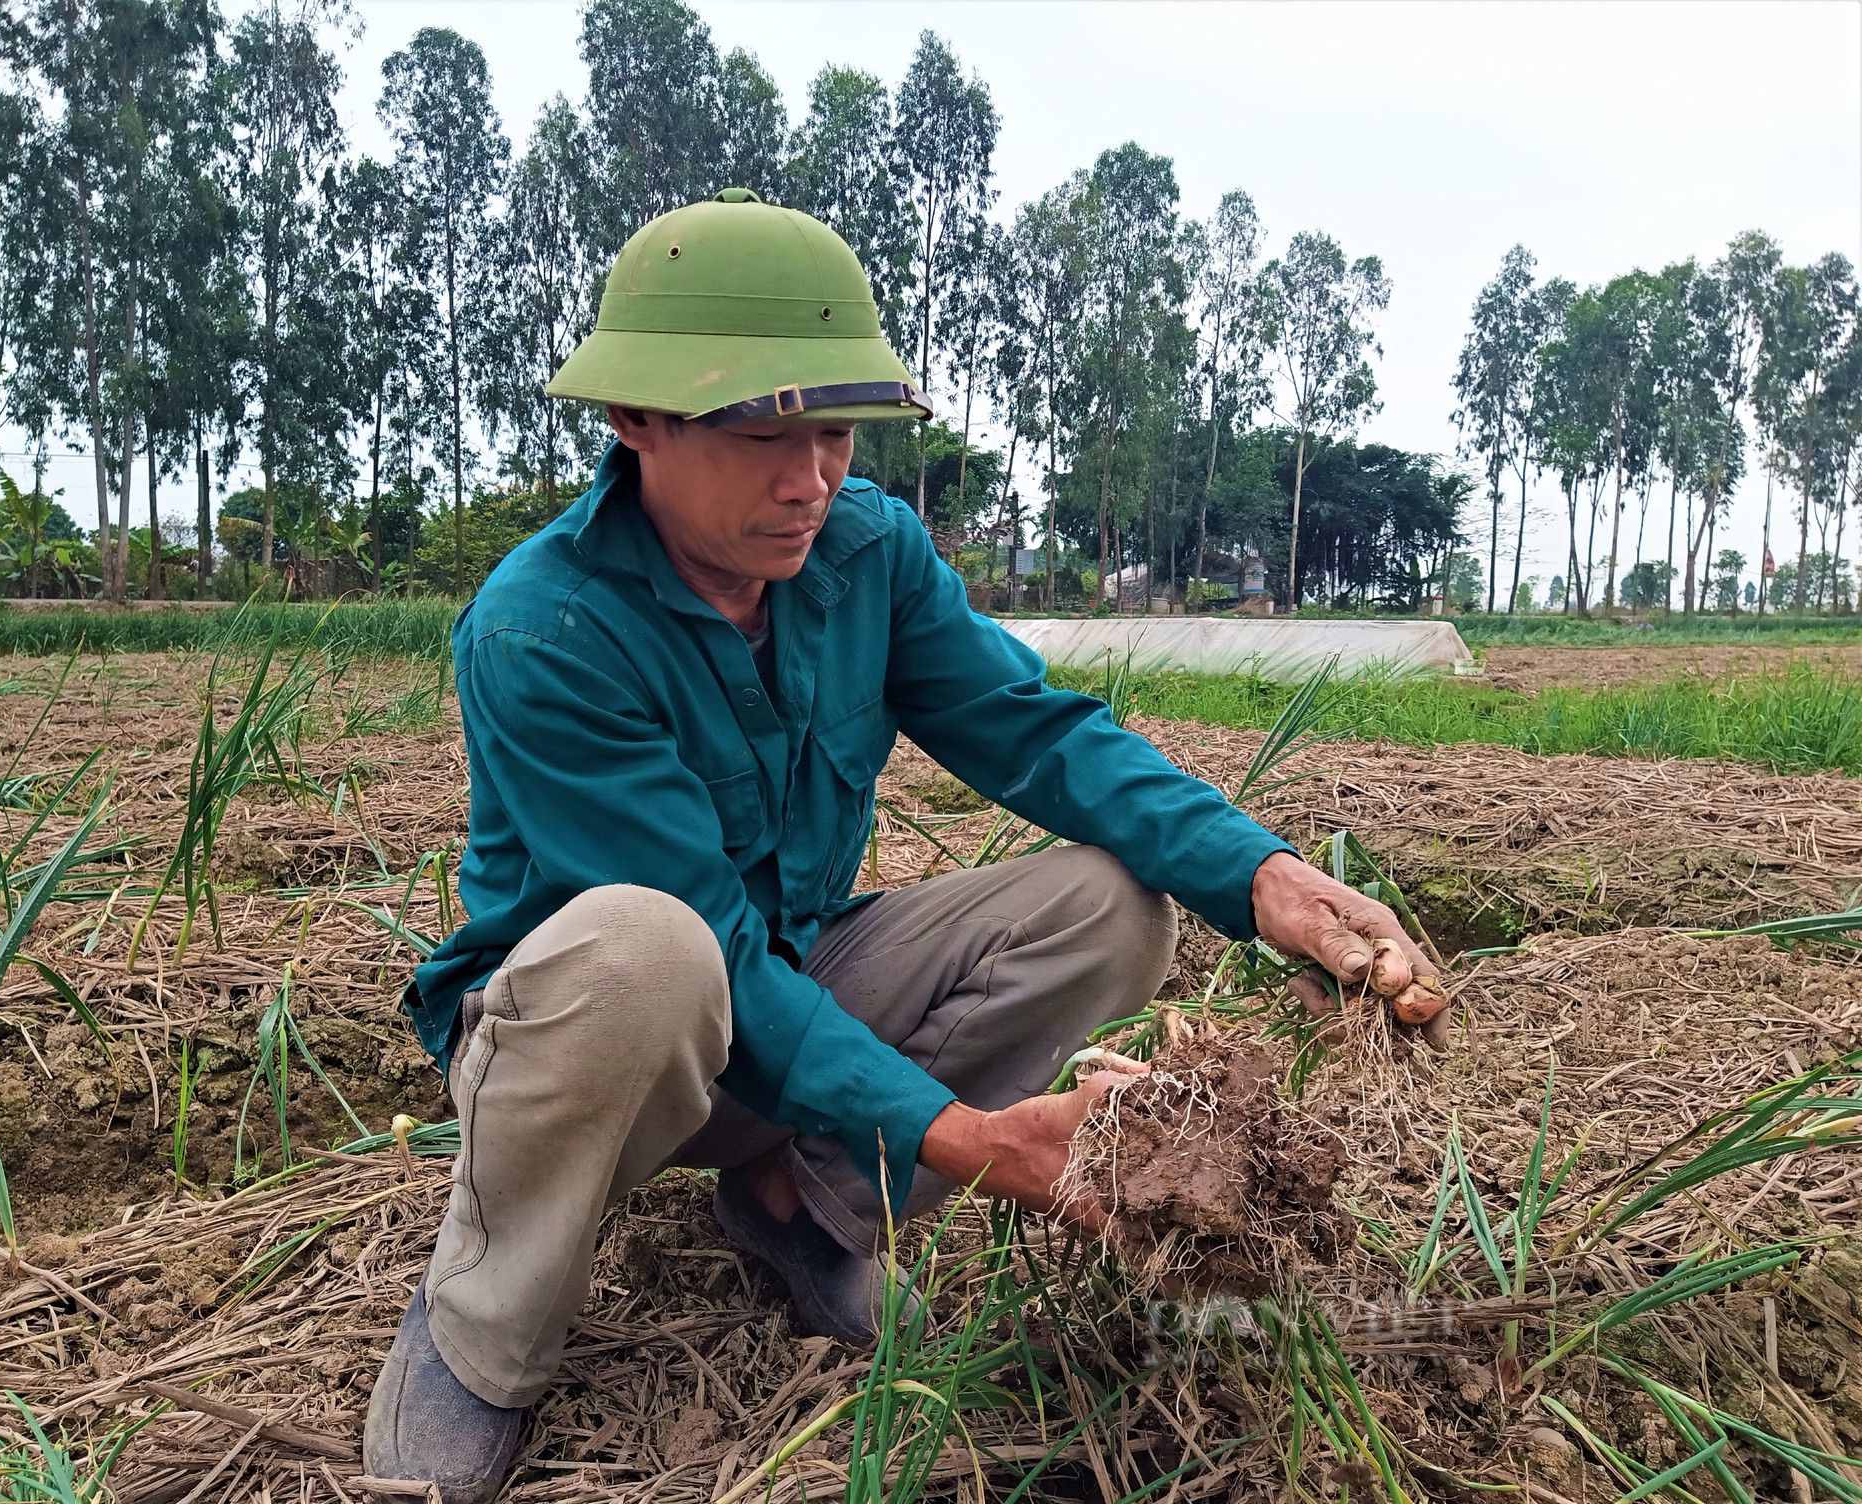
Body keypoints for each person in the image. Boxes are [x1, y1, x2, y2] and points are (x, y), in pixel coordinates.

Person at [362, 188, 1448, 1503]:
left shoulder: (865, 552)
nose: (808, 476)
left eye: (832, 430)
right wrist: (976, 1139)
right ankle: (482, 1328)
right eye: (760, 432)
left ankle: (800, 1211)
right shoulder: (546, 630)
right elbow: (703, 944)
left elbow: (1037, 735)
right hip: (599, 1054)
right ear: (635, 423)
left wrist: (1260, 874)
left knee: (1117, 904)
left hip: (788, 996)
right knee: (647, 948)